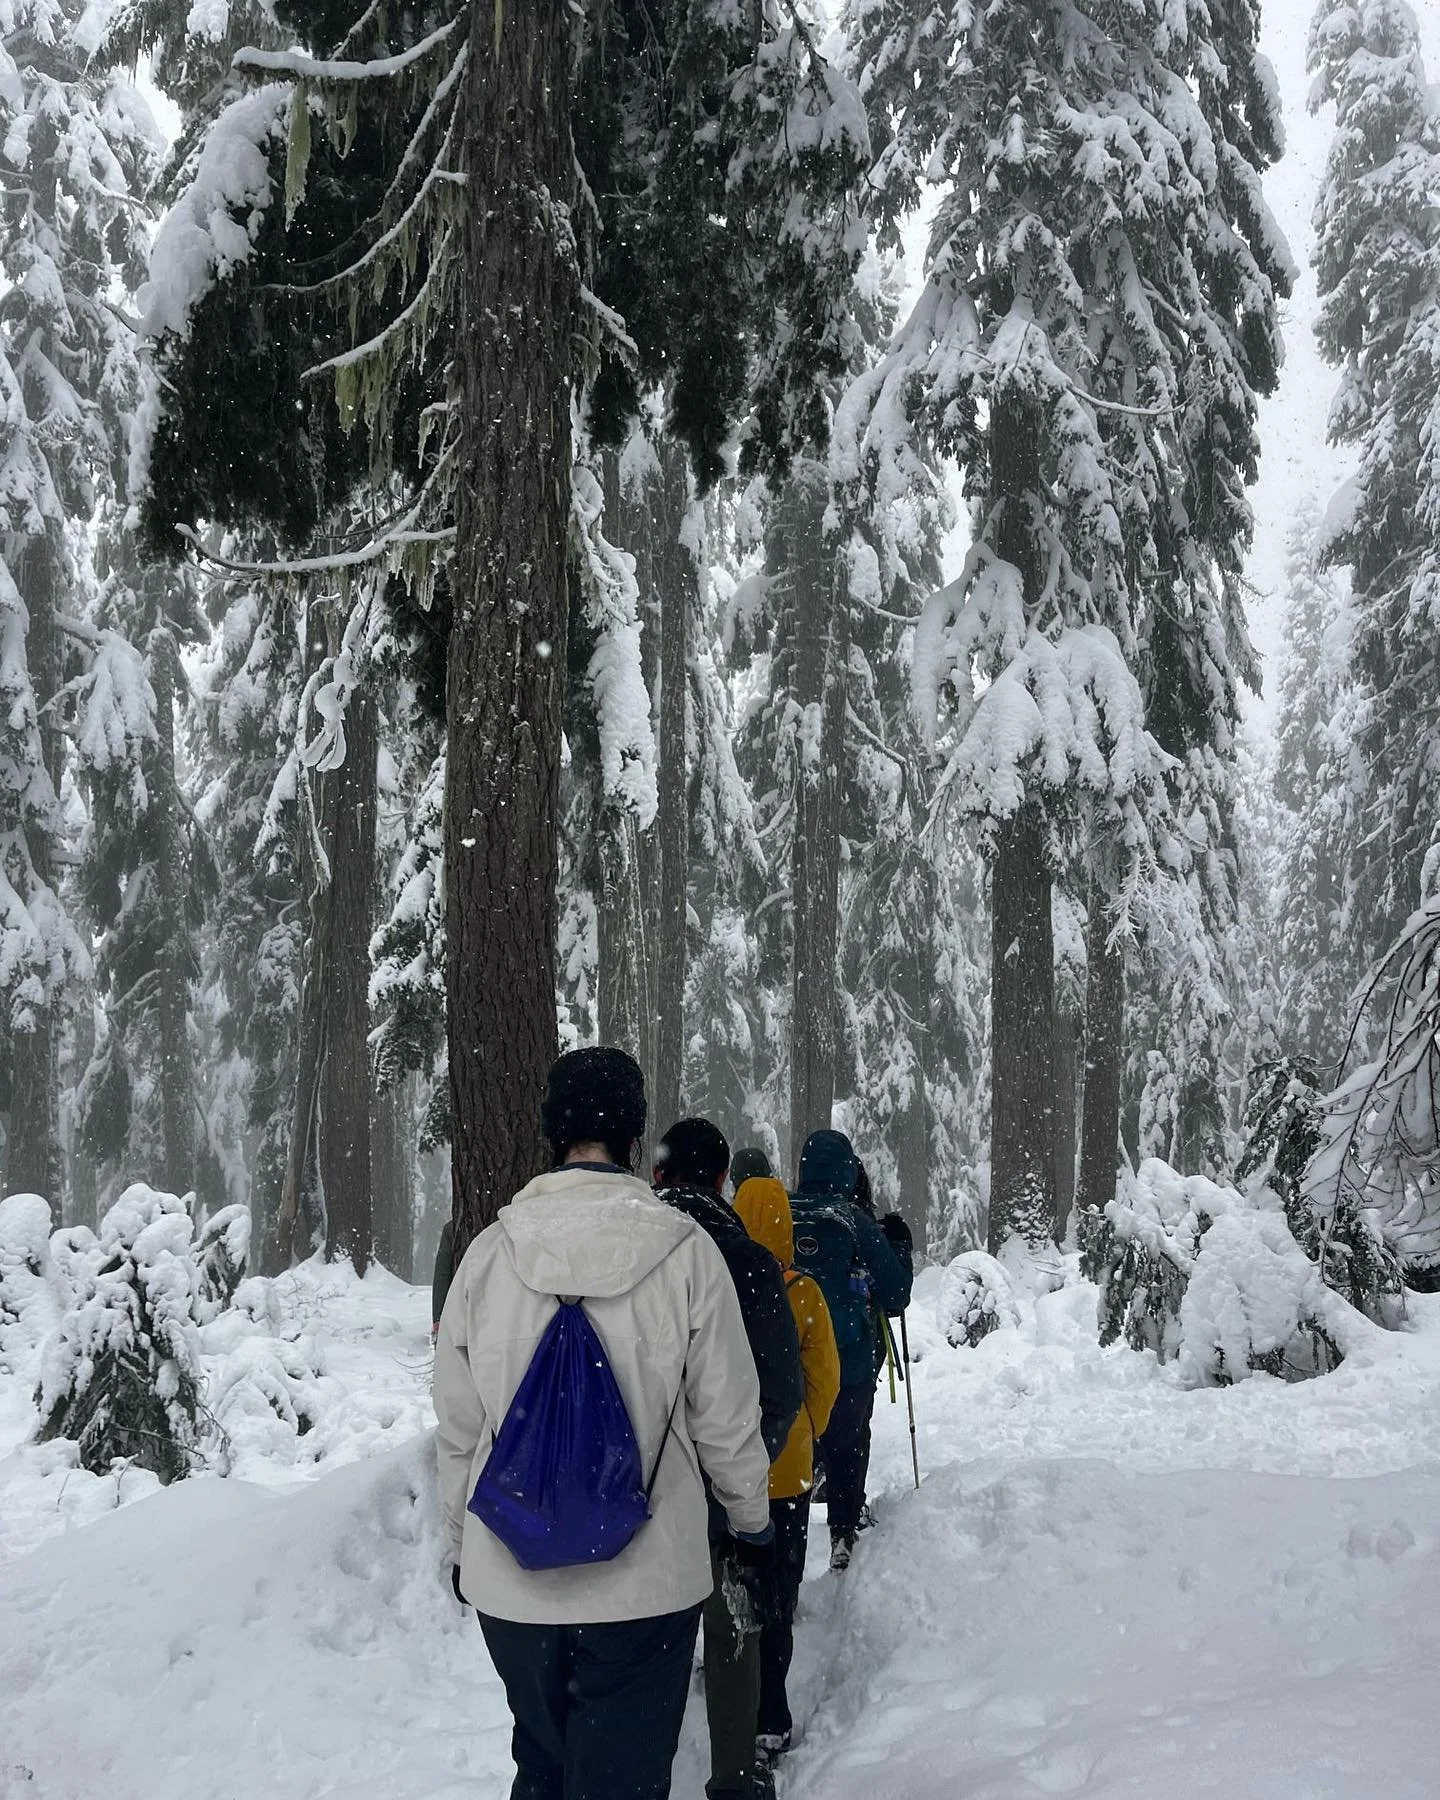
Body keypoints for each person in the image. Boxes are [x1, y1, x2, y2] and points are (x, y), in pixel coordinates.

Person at [434, 1049, 774, 1800]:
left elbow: (459, 1429)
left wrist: (463, 1548)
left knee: (544, 1767)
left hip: (512, 1584)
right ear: (632, 1136)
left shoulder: (488, 1258)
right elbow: (725, 1417)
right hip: (644, 1589)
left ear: (552, 1131)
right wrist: (751, 1520)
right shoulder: (688, 1256)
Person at [654, 1118, 803, 1800]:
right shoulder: (744, 1260)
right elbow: (782, 1391)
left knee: (638, 1633)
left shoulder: (629, 1248)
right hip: (719, 1491)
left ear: (657, 1174)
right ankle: (736, 1774)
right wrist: (737, 1472)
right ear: (722, 1182)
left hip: (626, 1491)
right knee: (732, 1618)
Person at [733, 1176, 840, 1769]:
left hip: (729, 1471)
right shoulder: (804, 1294)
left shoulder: (723, 1284)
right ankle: (770, 1715)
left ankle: (729, 1685)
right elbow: (823, 1381)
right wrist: (806, 1432)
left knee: (732, 1586)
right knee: (779, 1595)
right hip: (789, 1473)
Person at [789, 1129, 913, 1572]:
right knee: (849, 1442)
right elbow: (896, 1294)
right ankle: (843, 1528)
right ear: (848, 1168)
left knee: (794, 1450)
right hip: (850, 1365)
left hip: (789, 1365)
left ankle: (789, 1550)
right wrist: (899, 1246)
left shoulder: (782, 1212)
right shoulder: (854, 1219)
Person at [430, 1218, 454, 1342]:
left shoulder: (453, 1229)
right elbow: (442, 1275)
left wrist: (438, 1318)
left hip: (459, 1307)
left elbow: (442, 1275)